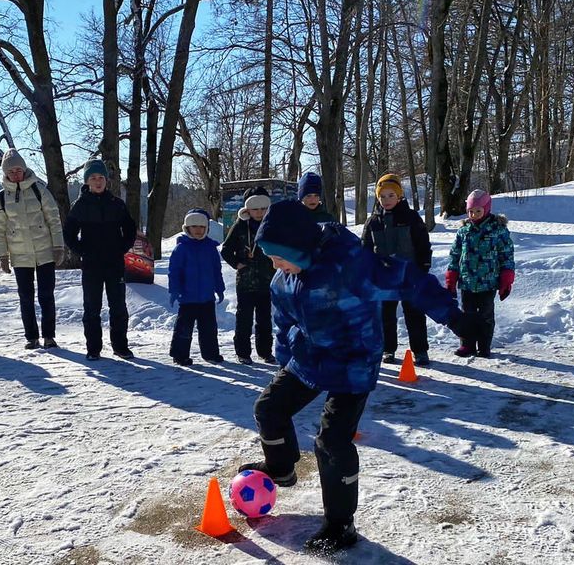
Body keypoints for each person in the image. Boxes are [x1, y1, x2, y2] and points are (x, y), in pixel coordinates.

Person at [236, 199, 479, 555]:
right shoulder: (283, 281)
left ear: (300, 248)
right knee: (269, 408)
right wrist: (285, 361)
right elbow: (283, 323)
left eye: (278, 256)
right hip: (309, 357)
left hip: (353, 361)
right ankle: (281, 468)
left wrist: (455, 319)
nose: (274, 264)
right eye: (270, 257)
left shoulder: (351, 266)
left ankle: (340, 525)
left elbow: (409, 280)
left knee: (331, 441)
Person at [64, 158, 137, 361]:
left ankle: (121, 346)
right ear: (87, 181)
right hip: (91, 266)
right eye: (93, 178)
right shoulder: (79, 206)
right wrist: (83, 252)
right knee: (92, 308)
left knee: (118, 307)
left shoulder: (117, 204)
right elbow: (68, 234)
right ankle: (93, 348)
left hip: (114, 264)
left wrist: (122, 247)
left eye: (101, 177)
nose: (97, 181)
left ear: (106, 180)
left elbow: (130, 229)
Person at [0, 148, 65, 350]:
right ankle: (31, 337)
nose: (15, 174)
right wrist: (3, 256)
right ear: (5, 174)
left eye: (18, 170)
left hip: (45, 252)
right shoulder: (0, 198)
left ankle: (49, 336)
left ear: (24, 169)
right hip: (20, 256)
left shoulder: (39, 190)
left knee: (46, 296)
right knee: (25, 298)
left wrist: (58, 246)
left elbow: (54, 220)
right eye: (11, 171)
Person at [362, 173, 432, 366]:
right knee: (385, 315)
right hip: (384, 278)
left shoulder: (411, 218)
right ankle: (388, 349)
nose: (386, 200)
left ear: (399, 195)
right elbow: (365, 249)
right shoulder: (373, 221)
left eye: (391, 195)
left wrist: (423, 267)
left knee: (414, 313)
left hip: (409, 275)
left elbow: (422, 244)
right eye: (382, 196)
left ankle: (420, 350)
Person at [445, 189, 515, 358]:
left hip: (488, 282)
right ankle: (467, 345)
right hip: (467, 282)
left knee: (485, 316)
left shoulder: (497, 230)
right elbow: (455, 255)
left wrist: (506, 278)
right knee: (467, 315)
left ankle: (484, 346)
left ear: (487, 209)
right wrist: (451, 278)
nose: (474, 215)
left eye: (478, 211)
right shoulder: (464, 231)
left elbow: (506, 254)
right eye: (470, 211)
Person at [221, 186, 276, 365]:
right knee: (244, 319)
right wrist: (237, 264)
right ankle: (243, 352)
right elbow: (226, 250)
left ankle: (265, 352)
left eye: (263, 208)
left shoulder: (272, 225)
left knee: (264, 320)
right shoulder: (240, 226)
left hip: (267, 281)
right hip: (245, 283)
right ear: (247, 209)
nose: (259, 212)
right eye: (255, 209)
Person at [168, 209, 225, 367]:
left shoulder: (211, 248)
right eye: (194, 227)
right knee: (184, 329)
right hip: (188, 298)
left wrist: (219, 288)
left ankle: (211, 353)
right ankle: (179, 355)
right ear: (187, 228)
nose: (198, 230)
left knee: (209, 329)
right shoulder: (181, 249)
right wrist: (174, 290)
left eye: (202, 227)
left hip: (206, 298)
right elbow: (174, 272)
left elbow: (216, 270)